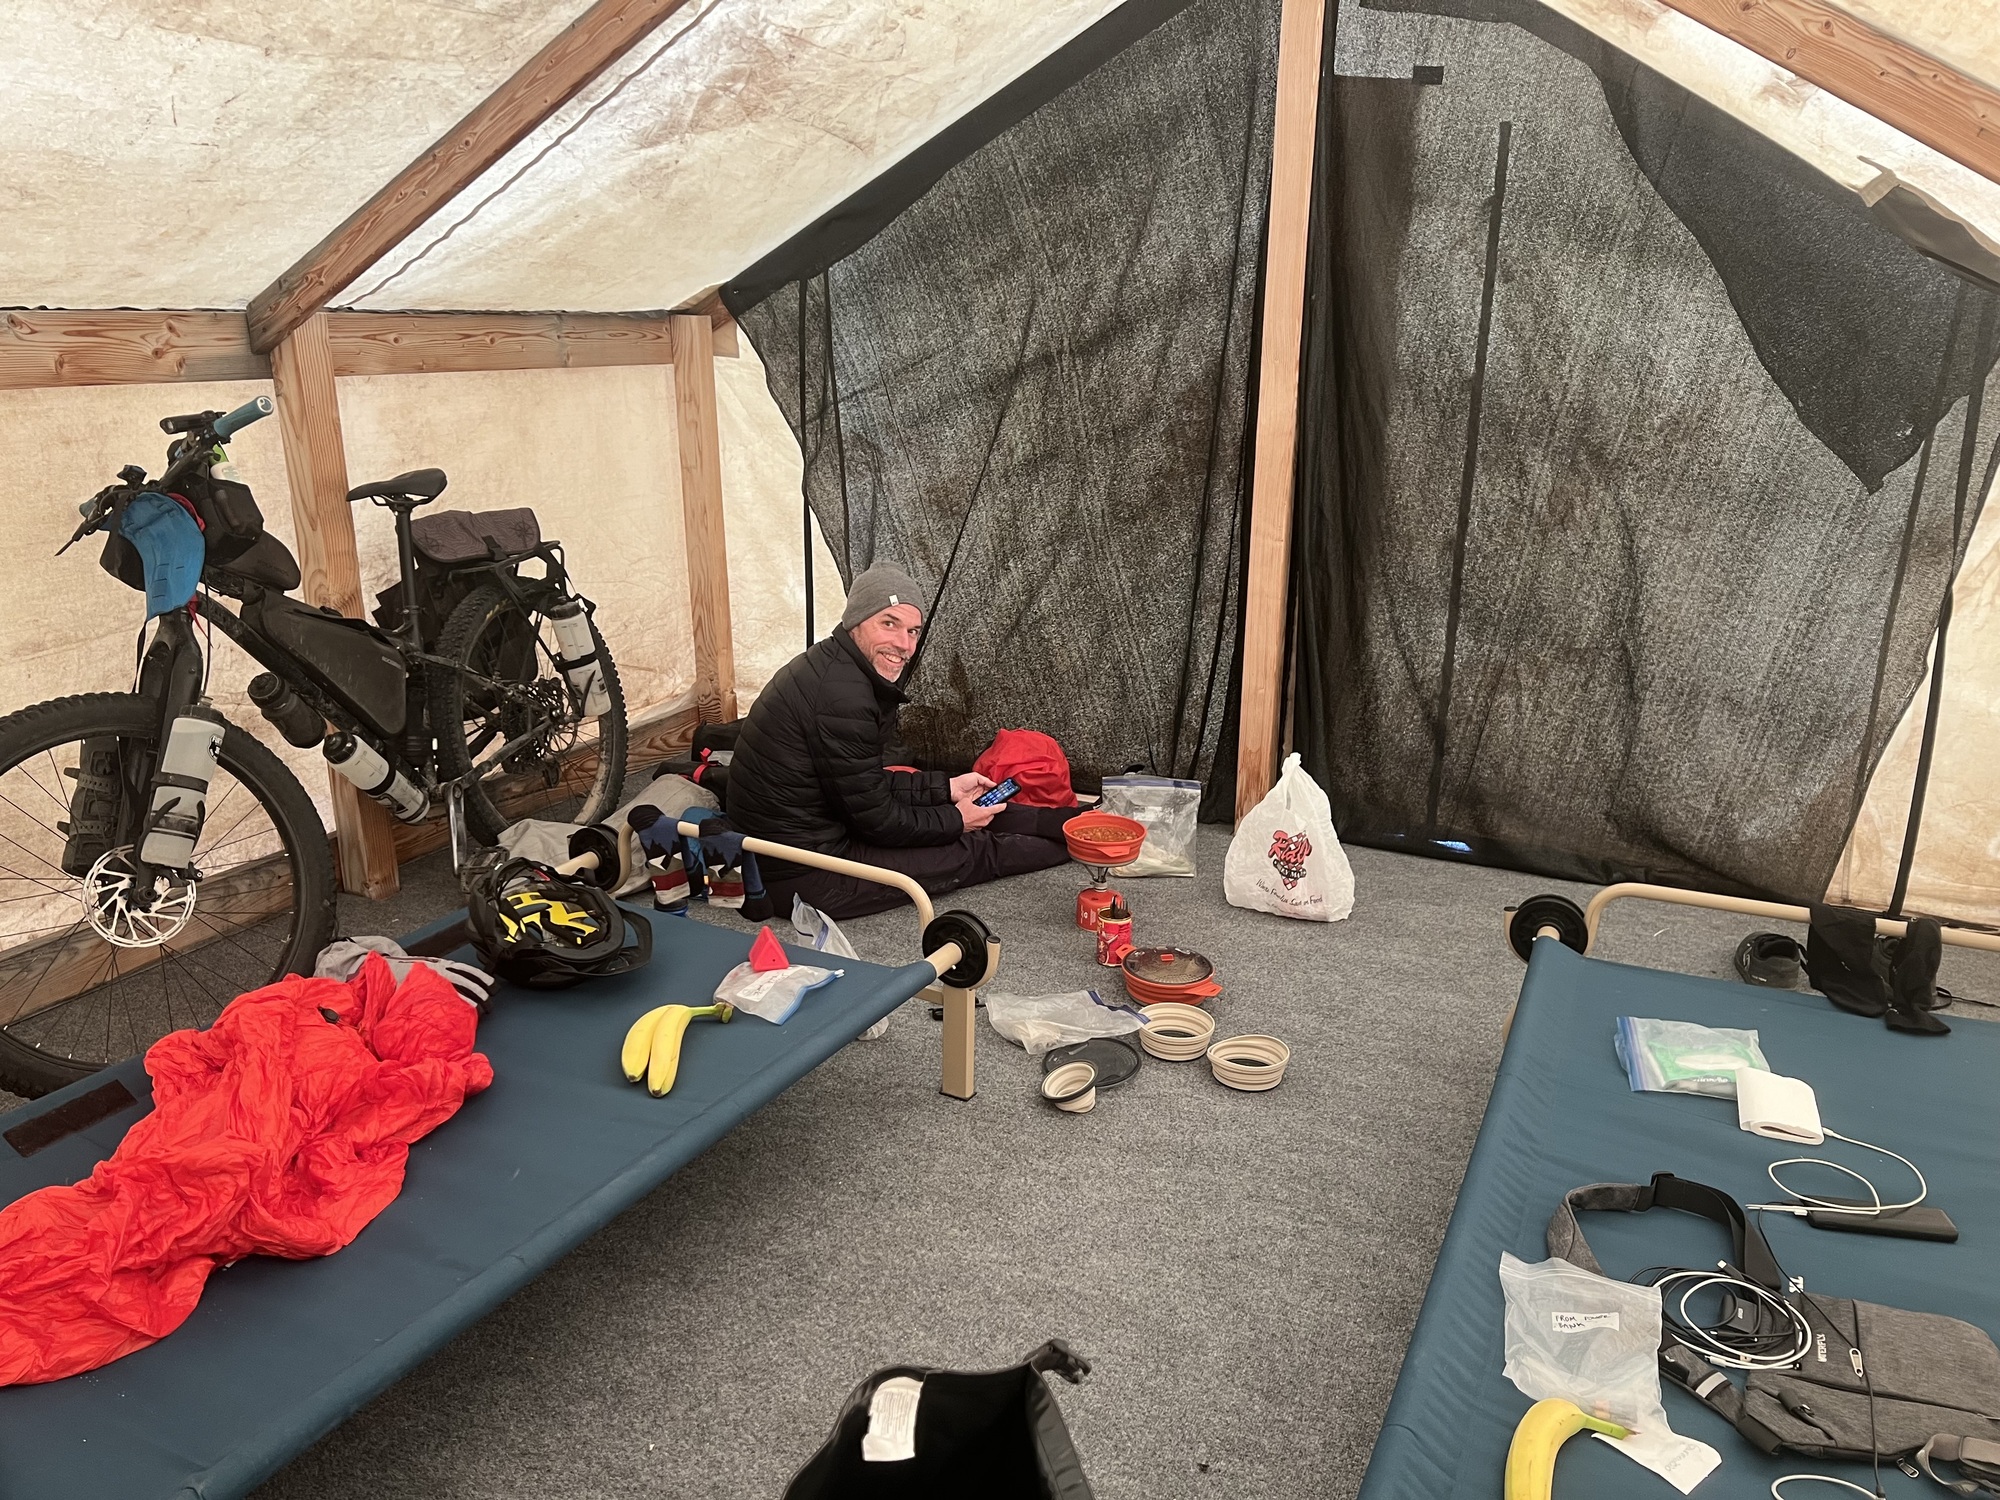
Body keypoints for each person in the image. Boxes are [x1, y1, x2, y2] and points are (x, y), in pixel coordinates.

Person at [725, 561, 1077, 918]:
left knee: (965, 803)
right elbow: (877, 820)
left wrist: (946, 789)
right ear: (856, 620)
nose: (904, 644)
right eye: (889, 623)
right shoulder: (842, 697)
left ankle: (1075, 822)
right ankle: (1082, 847)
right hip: (805, 872)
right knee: (973, 849)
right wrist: (956, 821)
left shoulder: (835, 668)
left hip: (813, 836)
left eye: (912, 631)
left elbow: (863, 786)